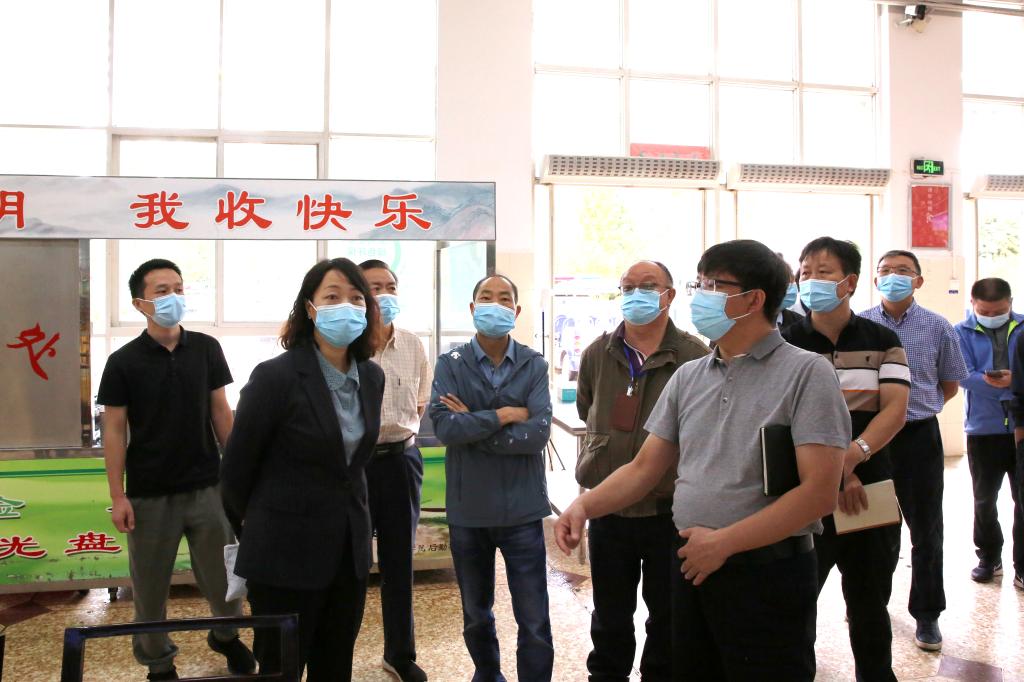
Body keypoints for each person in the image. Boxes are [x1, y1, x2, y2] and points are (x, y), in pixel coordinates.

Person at [556, 239, 852, 680]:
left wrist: (726, 543)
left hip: (768, 572)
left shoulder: (807, 373)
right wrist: (584, 505)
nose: (701, 296)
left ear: (753, 299)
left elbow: (819, 493)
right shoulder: (689, 377)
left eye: (714, 285)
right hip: (693, 566)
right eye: (699, 283)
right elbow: (644, 468)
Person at [221, 258, 384, 681]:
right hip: (283, 556)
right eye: (332, 296)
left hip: (347, 555)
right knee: (282, 669)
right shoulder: (275, 377)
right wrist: (258, 528)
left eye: (356, 298)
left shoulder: (371, 377)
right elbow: (236, 472)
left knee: (335, 666)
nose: (346, 306)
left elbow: (354, 466)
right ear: (310, 309)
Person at [98, 259, 255, 681]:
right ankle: (159, 662)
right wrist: (117, 495)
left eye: (179, 289)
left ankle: (226, 636)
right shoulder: (123, 361)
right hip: (148, 494)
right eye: (162, 291)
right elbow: (114, 430)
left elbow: (221, 412)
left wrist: (239, 474)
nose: (174, 297)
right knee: (149, 588)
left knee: (226, 579)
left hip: (207, 487)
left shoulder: (205, 348)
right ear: (140, 303)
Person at [575, 260, 709, 682]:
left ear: (669, 295)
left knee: (667, 615)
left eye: (648, 286)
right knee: (609, 615)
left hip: (668, 511)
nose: (636, 294)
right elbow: (586, 408)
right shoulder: (598, 353)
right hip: (609, 509)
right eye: (628, 287)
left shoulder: (693, 355)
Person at [783, 238, 910, 681]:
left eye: (824, 272)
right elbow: (782, 418)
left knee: (869, 602)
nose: (811, 281)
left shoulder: (882, 340)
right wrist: (836, 474)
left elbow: (894, 410)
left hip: (869, 491)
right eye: (805, 273)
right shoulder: (786, 343)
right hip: (803, 496)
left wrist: (852, 459)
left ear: (850, 282)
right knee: (797, 602)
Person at [428, 274, 554, 682]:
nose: (494, 304)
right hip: (469, 511)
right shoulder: (451, 364)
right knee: (476, 614)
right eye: (486, 297)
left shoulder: (534, 364)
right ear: (472, 308)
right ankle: (487, 675)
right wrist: (503, 415)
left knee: (534, 619)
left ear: (516, 311)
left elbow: (537, 434)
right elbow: (446, 428)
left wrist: (475, 426)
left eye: (503, 299)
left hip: (523, 510)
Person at [860, 249, 968, 652]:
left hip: (919, 437)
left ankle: (927, 613)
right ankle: (870, 603)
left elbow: (949, 384)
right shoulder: (860, 325)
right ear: (875, 280)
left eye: (903, 271)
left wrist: (916, 408)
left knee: (926, 529)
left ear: (918, 281)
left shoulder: (938, 326)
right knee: (872, 528)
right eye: (886, 271)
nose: (893, 277)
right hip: (872, 439)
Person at [359, 259, 432, 682]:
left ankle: (399, 655)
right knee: (349, 566)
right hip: (354, 466)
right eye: (374, 287)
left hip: (401, 461)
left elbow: (419, 403)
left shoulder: (412, 344)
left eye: (390, 286)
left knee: (399, 564)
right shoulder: (346, 347)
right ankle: (335, 653)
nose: (384, 295)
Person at [954, 277, 1023, 586]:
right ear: (973, 304)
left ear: (1010, 304)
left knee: (1022, 499)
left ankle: (1022, 565)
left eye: (998, 311)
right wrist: (1012, 387)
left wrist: (1014, 382)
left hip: (1021, 428)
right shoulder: (960, 331)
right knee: (984, 500)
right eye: (984, 311)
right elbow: (962, 375)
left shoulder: (1022, 327)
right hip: (983, 429)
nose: (991, 316)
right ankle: (988, 557)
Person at [775, 252, 804, 331]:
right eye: (784, 280)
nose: (791, 284)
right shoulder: (745, 320)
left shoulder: (800, 323)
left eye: (792, 278)